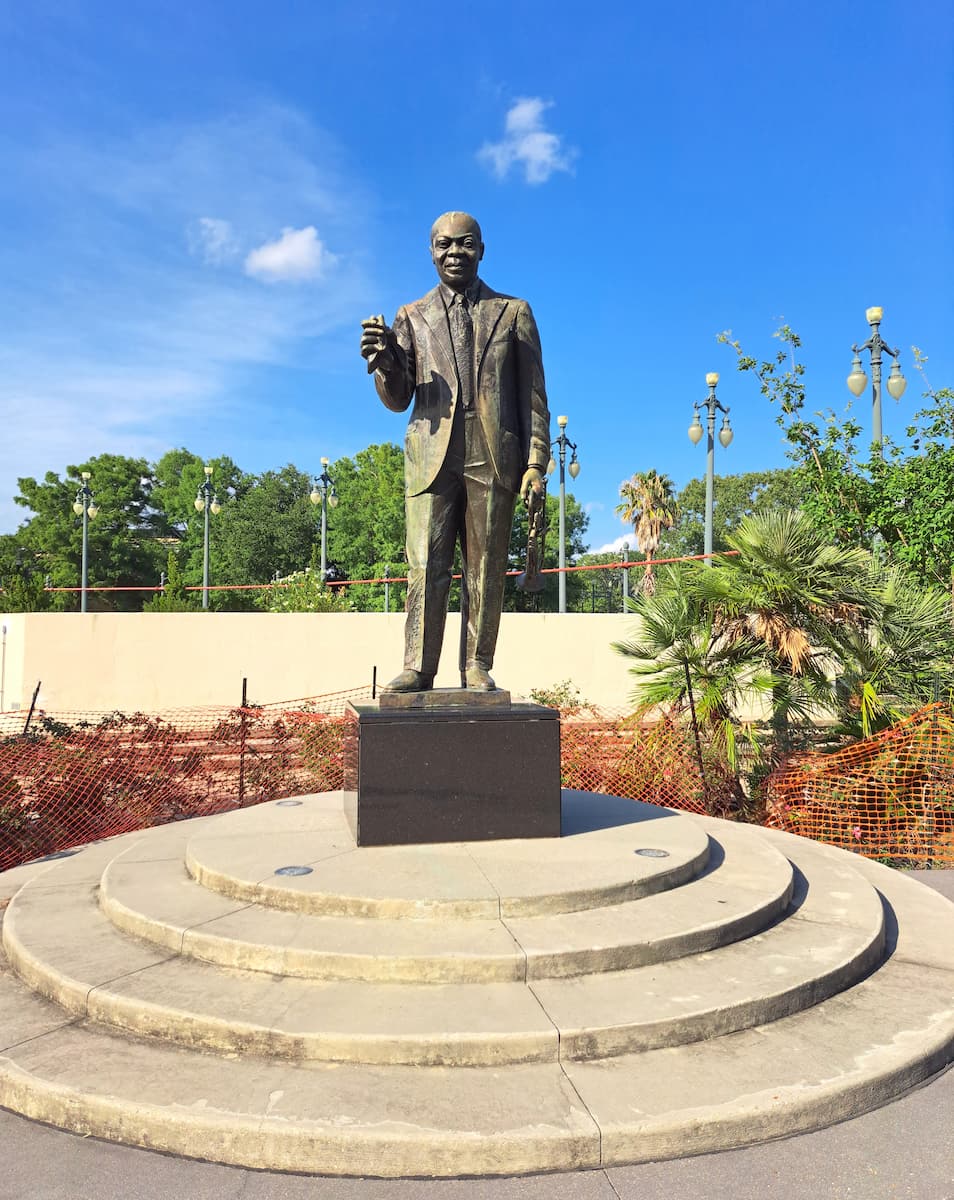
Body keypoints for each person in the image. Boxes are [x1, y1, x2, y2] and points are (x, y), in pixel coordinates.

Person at [360, 211, 551, 692]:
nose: (454, 253)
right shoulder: (411, 316)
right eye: (443, 245)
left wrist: (535, 463)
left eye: (465, 244)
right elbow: (398, 399)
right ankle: (418, 666)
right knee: (426, 562)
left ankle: (476, 665)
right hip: (431, 452)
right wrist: (385, 360)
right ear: (430, 252)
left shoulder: (513, 312)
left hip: (494, 450)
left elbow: (534, 397)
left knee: (485, 566)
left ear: (482, 250)